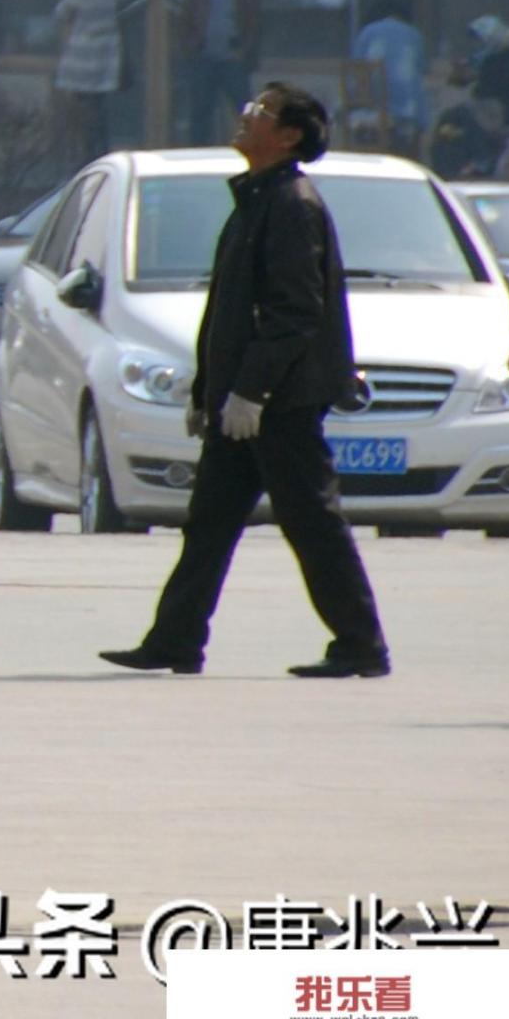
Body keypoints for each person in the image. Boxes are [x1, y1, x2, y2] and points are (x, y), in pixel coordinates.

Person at [103, 83, 394, 683]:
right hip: (241, 403)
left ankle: (361, 643)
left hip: (279, 403)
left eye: (259, 113)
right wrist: (209, 393)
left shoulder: (291, 204)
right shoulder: (258, 200)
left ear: (287, 136)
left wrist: (253, 392)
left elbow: (293, 313)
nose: (245, 117)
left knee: (312, 521)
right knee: (208, 523)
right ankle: (175, 639)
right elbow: (231, 316)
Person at [177, 0, 262, 148]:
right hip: (203, 58)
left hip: (232, 59)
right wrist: (189, 48)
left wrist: (245, 50)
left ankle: (256, 148)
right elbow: (184, 21)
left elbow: (253, 23)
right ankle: (197, 151)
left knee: (244, 106)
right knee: (200, 110)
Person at [54, 0, 128, 162]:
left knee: (82, 111)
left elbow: (60, 14)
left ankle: (86, 157)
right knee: (98, 108)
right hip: (106, 56)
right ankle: (101, 150)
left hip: (82, 58)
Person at [351, 0, 426, 149]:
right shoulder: (414, 35)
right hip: (409, 109)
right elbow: (421, 68)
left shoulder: (368, 32)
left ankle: (364, 150)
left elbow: (357, 69)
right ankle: (407, 150)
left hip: (373, 107)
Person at [463, 15, 509, 133]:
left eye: (480, 40)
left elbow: (490, 87)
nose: (478, 44)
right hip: (501, 109)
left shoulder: (500, 59)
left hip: (500, 111)